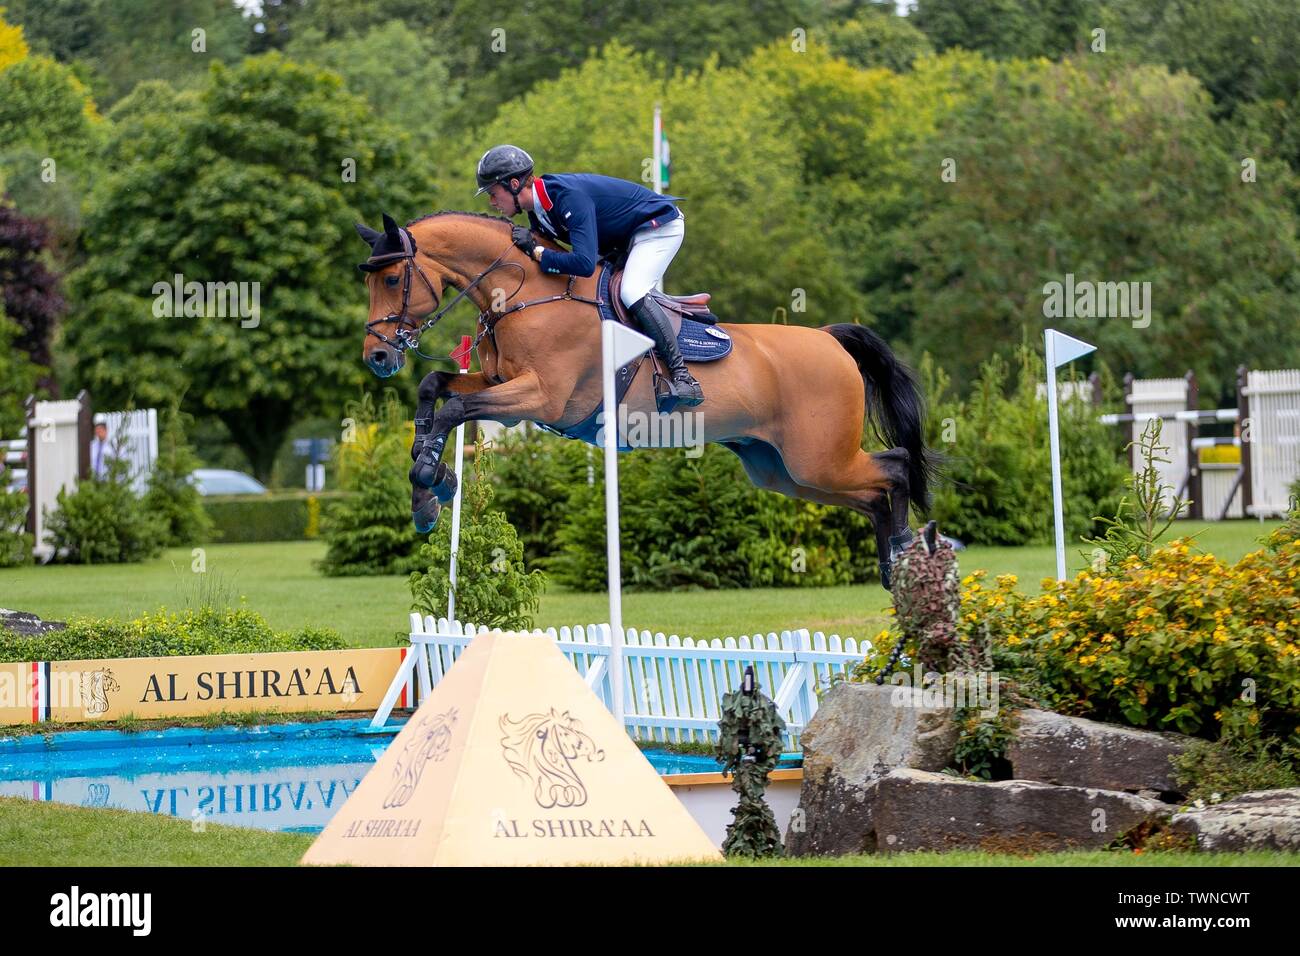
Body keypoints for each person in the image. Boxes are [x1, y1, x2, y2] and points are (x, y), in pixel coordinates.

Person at [475, 144, 703, 408]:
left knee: (632, 291)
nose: (492, 202)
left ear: (514, 184)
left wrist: (537, 252)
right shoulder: (538, 212)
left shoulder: (566, 197)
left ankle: (683, 377)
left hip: (659, 228)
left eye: (493, 193)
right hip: (625, 239)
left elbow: (583, 263)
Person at [89, 414, 117, 479]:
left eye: (101, 429)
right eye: (97, 429)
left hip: (108, 482)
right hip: (94, 481)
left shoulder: (113, 445)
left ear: (106, 429)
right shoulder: (92, 446)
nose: (98, 431)